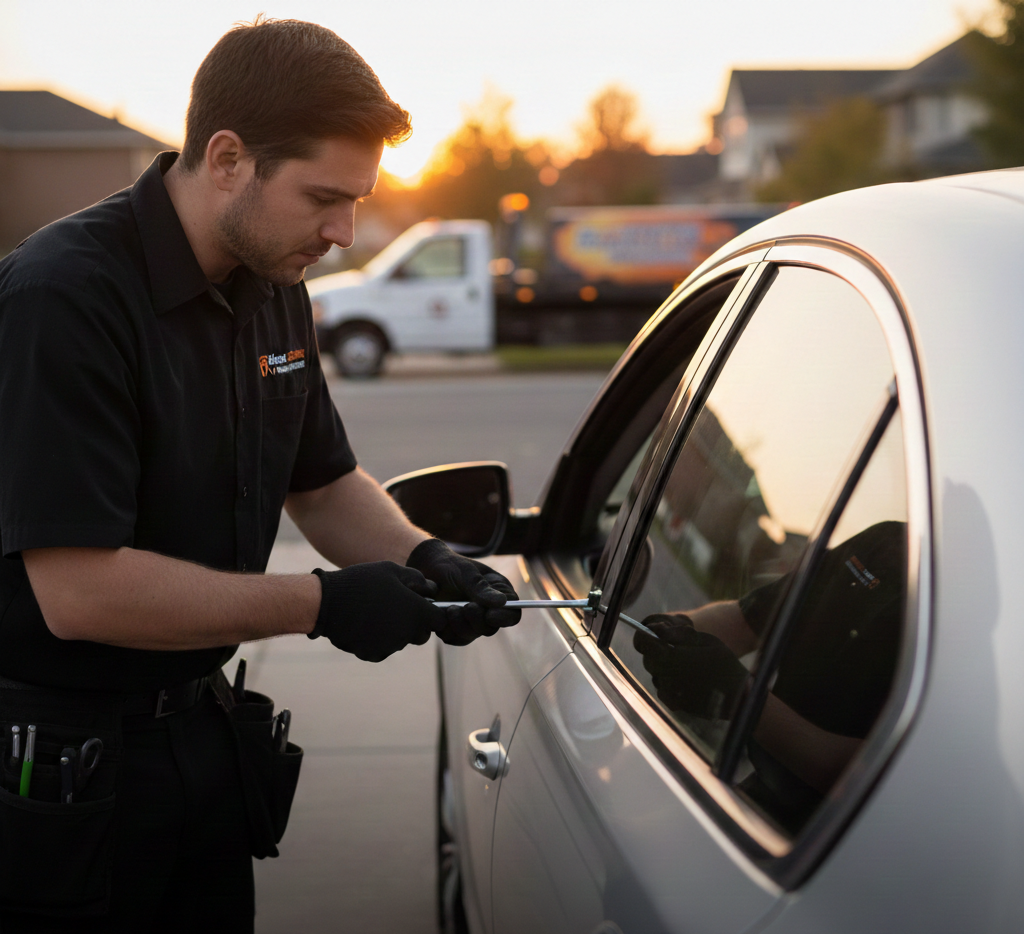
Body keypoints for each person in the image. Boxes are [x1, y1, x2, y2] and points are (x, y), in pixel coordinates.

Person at [0, 17, 519, 932]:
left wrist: (427, 556)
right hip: (63, 767)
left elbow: (322, 483)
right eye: (324, 197)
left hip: (203, 737)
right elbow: (80, 592)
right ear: (228, 159)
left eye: (356, 201)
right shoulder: (65, 298)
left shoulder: (275, 286)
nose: (344, 233)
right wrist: (320, 604)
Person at [633, 521, 905, 810]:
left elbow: (867, 774)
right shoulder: (886, 543)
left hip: (824, 828)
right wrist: (674, 629)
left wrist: (742, 700)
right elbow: (749, 620)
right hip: (755, 794)